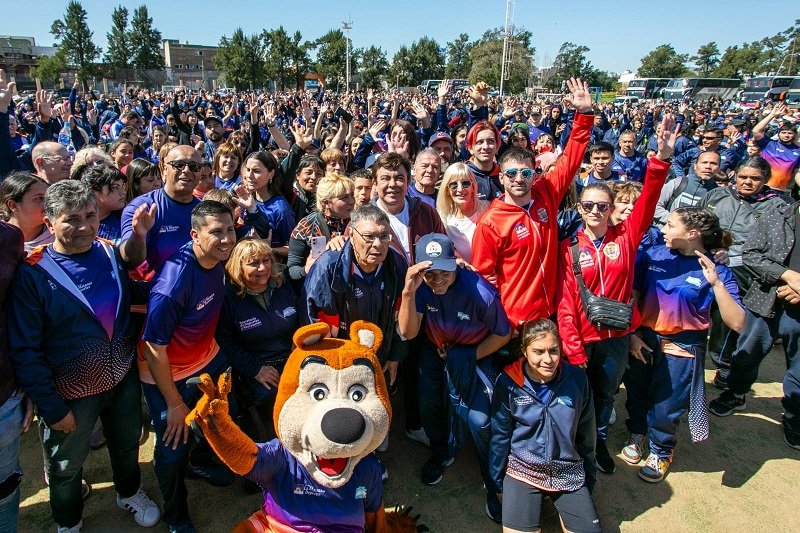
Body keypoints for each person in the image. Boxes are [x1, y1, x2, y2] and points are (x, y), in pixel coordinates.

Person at [8, 180, 160, 532]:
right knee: (65, 467)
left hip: (121, 378)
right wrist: (51, 407)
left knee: (126, 445)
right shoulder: (32, 273)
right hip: (70, 394)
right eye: (71, 219)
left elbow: (134, 274)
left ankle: (129, 492)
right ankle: (68, 521)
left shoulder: (107, 250)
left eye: (90, 216)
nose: (83, 227)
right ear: (49, 223)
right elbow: (25, 350)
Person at [556, 115, 676, 475]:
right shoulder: (567, 248)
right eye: (588, 206)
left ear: (612, 209)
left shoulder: (626, 237)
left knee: (606, 397)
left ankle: (600, 445)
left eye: (602, 206)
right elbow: (564, 304)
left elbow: (650, 197)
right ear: (579, 209)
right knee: (578, 398)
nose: (595, 211)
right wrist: (573, 348)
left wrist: (661, 157)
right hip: (581, 339)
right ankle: (575, 448)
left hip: (616, 339)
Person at [623, 207, 745, 482]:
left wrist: (716, 284)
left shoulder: (717, 269)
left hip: (683, 346)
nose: (662, 229)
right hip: (643, 338)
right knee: (637, 392)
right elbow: (633, 295)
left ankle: (661, 449)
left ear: (691, 234)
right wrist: (632, 335)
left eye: (669, 225)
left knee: (667, 404)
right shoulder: (653, 255)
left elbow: (737, 323)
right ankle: (637, 433)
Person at [397, 234, 511, 523]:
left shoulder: (479, 292)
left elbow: (503, 333)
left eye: (444, 271)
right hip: (435, 352)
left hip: (476, 356)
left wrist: (467, 355)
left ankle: (493, 475)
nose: (437, 279)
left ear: (456, 265)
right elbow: (409, 333)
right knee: (430, 404)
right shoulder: (421, 288)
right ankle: (441, 452)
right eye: (430, 273)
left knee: (480, 420)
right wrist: (408, 294)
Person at [139, 200, 237, 532]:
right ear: (194, 235)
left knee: (224, 418)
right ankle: (176, 515)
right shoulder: (174, 284)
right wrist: (175, 403)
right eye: (216, 232)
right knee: (172, 451)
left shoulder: (217, 258)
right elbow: (154, 349)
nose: (226, 239)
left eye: (230, 230)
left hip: (208, 358)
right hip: (170, 374)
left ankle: (201, 460)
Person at [472, 77, 595, 329]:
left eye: (526, 173)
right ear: (501, 177)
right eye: (512, 174)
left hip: (551, 312)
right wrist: (501, 320)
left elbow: (571, 158)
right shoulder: (491, 222)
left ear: (534, 174)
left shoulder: (546, 192)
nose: (519, 179)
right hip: (514, 322)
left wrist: (584, 114)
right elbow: (483, 278)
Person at [707, 192, 800, 449]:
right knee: (747, 352)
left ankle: (794, 416)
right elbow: (752, 254)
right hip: (765, 300)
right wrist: (788, 275)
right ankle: (736, 393)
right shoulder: (779, 215)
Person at [490, 319, 600, 533]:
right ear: (524, 351)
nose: (548, 359)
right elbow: (500, 435)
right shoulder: (508, 382)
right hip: (522, 469)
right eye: (538, 352)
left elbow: (587, 433)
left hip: (567, 470)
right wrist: (497, 483)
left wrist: (589, 478)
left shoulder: (577, 380)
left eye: (554, 350)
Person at [699, 156, 789, 389]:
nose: (748, 182)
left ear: (766, 179)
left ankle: (724, 367)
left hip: (741, 275)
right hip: (702, 266)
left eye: (755, 178)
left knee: (725, 325)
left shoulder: (776, 207)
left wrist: (733, 256)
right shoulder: (717, 195)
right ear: (734, 176)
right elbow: (696, 222)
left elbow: (773, 247)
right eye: (743, 177)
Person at [303, 204, 407, 390]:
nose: (377, 244)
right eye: (369, 237)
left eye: (384, 236)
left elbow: (399, 316)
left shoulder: (396, 264)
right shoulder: (329, 267)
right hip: (339, 365)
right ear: (351, 235)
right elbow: (315, 322)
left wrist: (395, 356)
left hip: (380, 360)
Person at [216, 238, 298, 437]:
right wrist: (255, 369)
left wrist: (299, 352)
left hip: (293, 358)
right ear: (238, 266)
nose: (263, 268)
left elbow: (303, 320)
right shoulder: (228, 298)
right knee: (274, 395)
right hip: (257, 366)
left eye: (266, 260)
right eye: (253, 263)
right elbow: (225, 342)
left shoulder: (283, 284)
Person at [120, 145, 203, 280]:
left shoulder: (204, 209)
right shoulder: (142, 208)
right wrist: (138, 237)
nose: (187, 170)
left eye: (194, 167)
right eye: (179, 164)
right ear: (164, 170)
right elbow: (129, 260)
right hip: (154, 296)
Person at [0, 220, 31, 533]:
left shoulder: (8, 239)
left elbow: (19, 320)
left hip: (4, 397)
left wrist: (26, 386)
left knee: (4, 488)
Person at [371, 152, 445, 265]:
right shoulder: (362, 218)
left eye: (399, 178)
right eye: (385, 178)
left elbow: (444, 249)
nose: (392, 184)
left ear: (408, 181)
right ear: (375, 183)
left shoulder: (427, 213)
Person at [287, 173, 354, 281]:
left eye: (352, 195)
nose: (351, 201)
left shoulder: (358, 222)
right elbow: (292, 270)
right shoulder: (306, 226)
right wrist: (307, 269)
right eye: (344, 197)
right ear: (326, 203)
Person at [239, 151, 296, 257]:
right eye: (247, 170)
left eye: (256, 171)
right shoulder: (247, 198)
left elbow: (293, 248)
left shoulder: (281, 209)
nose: (249, 175)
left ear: (271, 174)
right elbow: (241, 223)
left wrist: (269, 249)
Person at [435, 162, 488, 264]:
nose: (460, 189)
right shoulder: (441, 217)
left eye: (465, 183)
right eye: (453, 185)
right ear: (447, 190)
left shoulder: (487, 210)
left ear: (473, 187)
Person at [654, 150, 721, 226]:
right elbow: (655, 206)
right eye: (704, 162)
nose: (708, 167)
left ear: (719, 168)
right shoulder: (679, 183)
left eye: (713, 163)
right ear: (695, 166)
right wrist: (676, 222)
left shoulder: (718, 194)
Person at [750, 102, 800, 191]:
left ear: (794, 135)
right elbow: (756, 131)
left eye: (790, 133)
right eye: (783, 133)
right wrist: (772, 114)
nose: (786, 135)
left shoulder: (798, 150)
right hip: (761, 188)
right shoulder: (768, 144)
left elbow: (797, 173)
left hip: (782, 191)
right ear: (778, 134)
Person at [0, 171, 53, 252]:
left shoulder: (59, 237)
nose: (49, 203)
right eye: (39, 198)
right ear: (13, 205)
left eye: (49, 197)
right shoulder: (2, 238)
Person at [80, 163, 127, 244]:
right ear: (93, 191)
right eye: (115, 187)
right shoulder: (77, 223)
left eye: (122, 186)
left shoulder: (127, 219)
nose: (123, 192)